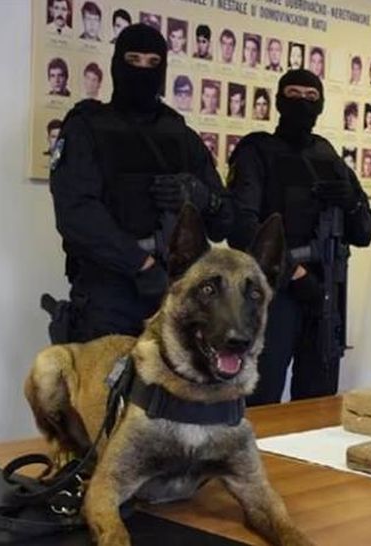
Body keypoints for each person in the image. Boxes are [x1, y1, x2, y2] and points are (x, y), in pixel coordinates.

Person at [48, 23, 232, 343]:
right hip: (109, 292)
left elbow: (225, 219)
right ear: (116, 64)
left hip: (176, 295)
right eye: (133, 60)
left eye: (153, 62)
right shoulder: (86, 128)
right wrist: (140, 264)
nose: (142, 69)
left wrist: (200, 196)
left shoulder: (181, 135)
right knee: (107, 376)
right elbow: (76, 213)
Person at [228, 69, 371, 404]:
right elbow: (242, 229)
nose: (302, 103)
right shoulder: (256, 151)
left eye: (311, 97)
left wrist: (351, 203)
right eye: (293, 94)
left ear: (321, 104)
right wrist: (293, 272)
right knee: (261, 397)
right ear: (278, 101)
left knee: (319, 401)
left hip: (326, 290)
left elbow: (364, 232)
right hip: (271, 291)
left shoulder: (329, 157)